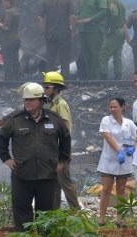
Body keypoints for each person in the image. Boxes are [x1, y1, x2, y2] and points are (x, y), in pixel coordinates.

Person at [0, 82, 71, 231]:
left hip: (47, 175)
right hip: (22, 175)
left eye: (31, 99)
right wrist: (6, 158)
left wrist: (62, 161)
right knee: (22, 213)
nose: (27, 102)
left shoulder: (53, 119)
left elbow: (66, 138)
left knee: (46, 215)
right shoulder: (15, 119)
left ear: (41, 101)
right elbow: (1, 137)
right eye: (26, 100)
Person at [97, 97, 137, 227]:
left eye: (115, 107)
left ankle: (121, 218)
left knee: (121, 189)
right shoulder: (106, 120)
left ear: (123, 107)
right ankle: (101, 218)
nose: (113, 109)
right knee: (106, 189)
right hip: (109, 160)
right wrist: (119, 151)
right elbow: (108, 137)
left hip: (124, 161)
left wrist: (133, 148)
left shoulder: (129, 123)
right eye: (111, 107)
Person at [43, 72, 81, 210]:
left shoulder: (60, 104)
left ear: (56, 88)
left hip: (60, 150)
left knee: (65, 181)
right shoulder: (52, 104)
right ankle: (55, 212)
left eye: (47, 87)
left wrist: (62, 154)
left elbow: (65, 128)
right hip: (53, 149)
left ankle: (76, 211)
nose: (45, 90)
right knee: (55, 183)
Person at [38, 0, 75, 75]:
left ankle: (50, 81)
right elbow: (72, 17)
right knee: (65, 59)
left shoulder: (45, 1)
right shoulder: (68, 1)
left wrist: (43, 32)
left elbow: (40, 18)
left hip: (50, 34)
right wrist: (73, 31)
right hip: (65, 33)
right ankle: (64, 81)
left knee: (50, 59)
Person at [75, 0, 107, 80]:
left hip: (94, 32)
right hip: (83, 31)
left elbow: (104, 12)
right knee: (86, 57)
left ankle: (95, 80)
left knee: (95, 56)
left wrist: (91, 19)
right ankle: (89, 80)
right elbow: (79, 13)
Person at [100, 0, 127, 80]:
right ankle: (118, 78)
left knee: (103, 54)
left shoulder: (111, 1)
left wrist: (110, 28)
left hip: (115, 31)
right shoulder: (120, 2)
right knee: (117, 55)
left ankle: (103, 78)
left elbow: (114, 14)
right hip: (122, 31)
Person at [0, 0, 21, 80]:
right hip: (15, 40)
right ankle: (18, 80)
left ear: (9, 2)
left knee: (8, 62)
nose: (2, 4)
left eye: (4, 2)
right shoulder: (15, 11)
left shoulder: (9, 12)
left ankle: (9, 81)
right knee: (15, 61)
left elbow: (6, 28)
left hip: (8, 41)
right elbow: (9, 24)